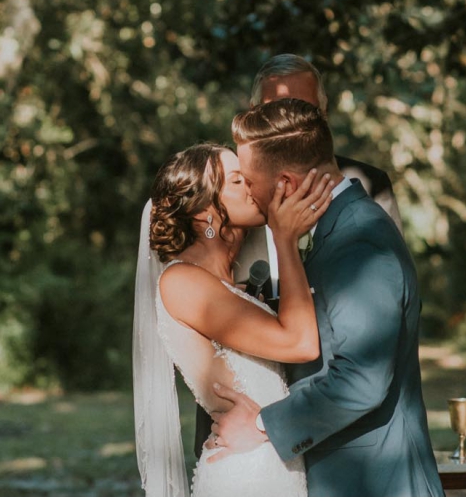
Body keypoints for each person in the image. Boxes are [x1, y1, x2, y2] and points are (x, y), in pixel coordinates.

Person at [209, 99, 443, 497]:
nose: (248, 193)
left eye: (249, 181)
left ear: (285, 184)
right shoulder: (335, 234)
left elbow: (362, 380)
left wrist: (263, 425)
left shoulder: (361, 244)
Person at [133, 142, 337, 496]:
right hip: (247, 472)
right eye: (237, 181)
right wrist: (285, 239)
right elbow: (299, 343)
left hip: (273, 458)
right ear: (202, 213)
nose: (252, 187)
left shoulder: (226, 286)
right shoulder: (182, 281)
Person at [250, 54, 403, 231]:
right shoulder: (234, 195)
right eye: (276, 112)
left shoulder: (371, 186)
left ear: (324, 113)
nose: (291, 122)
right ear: (252, 115)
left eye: (306, 111)